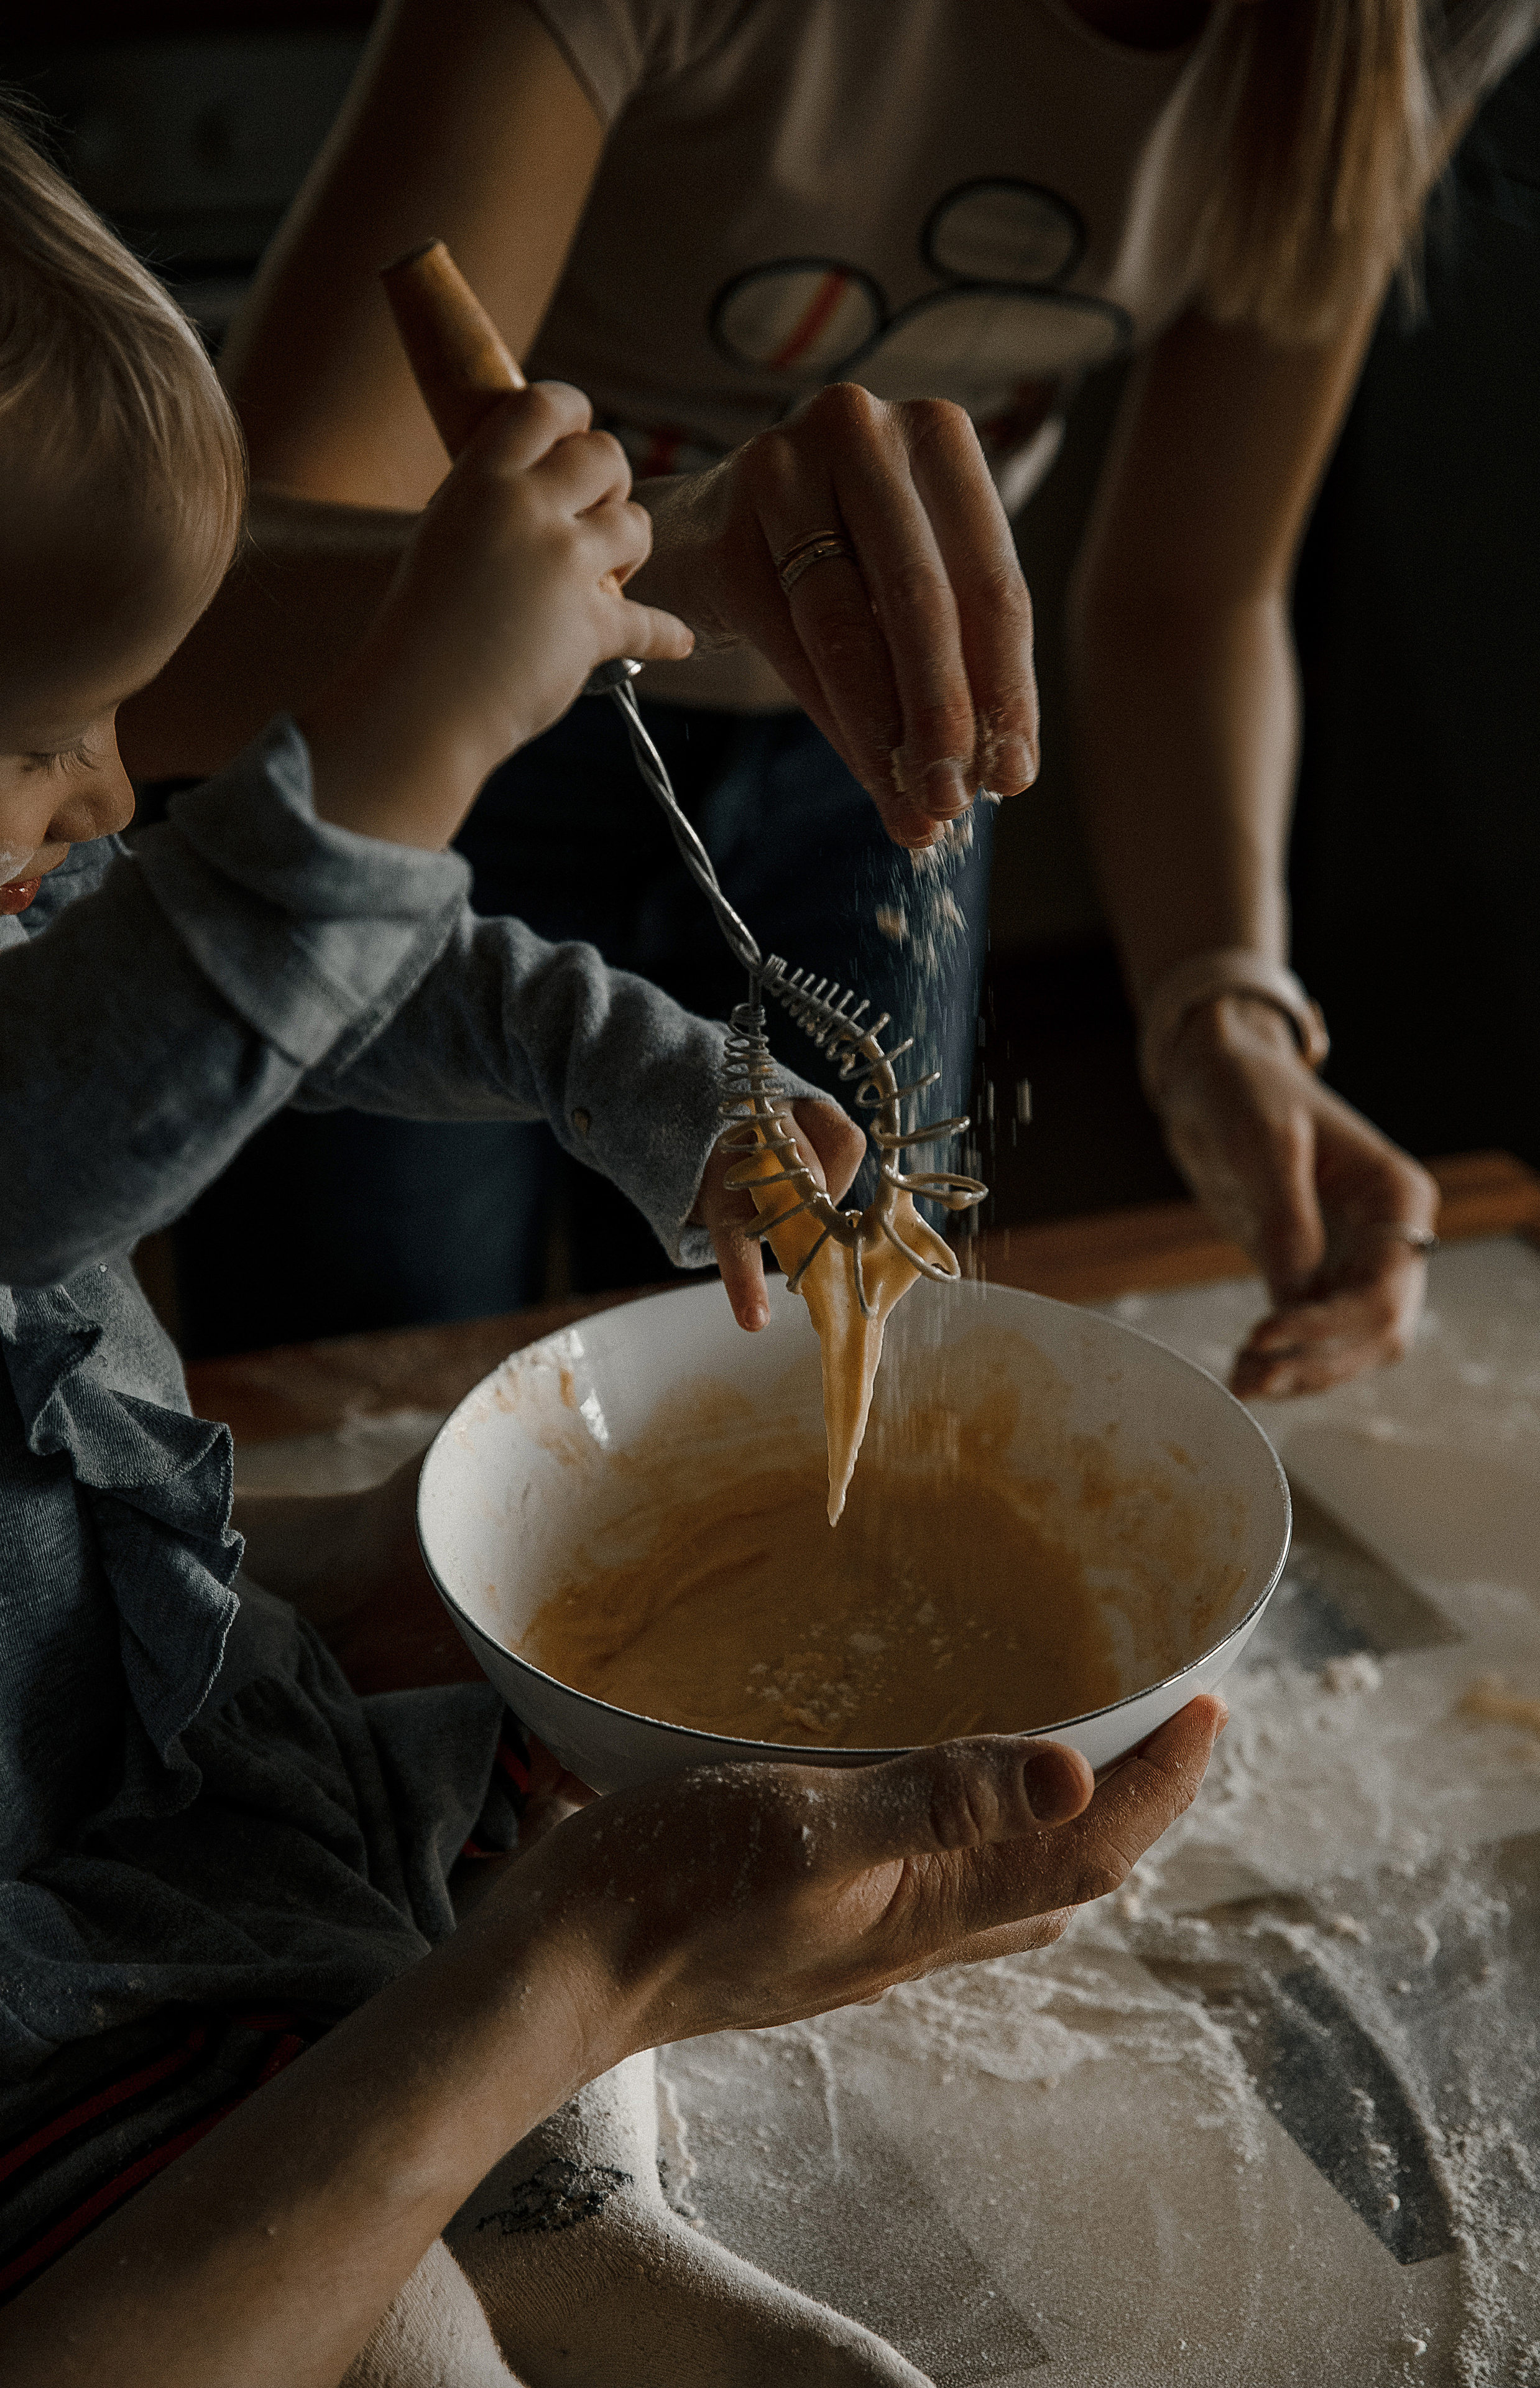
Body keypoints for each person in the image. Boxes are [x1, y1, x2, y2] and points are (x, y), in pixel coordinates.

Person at [0, 115, 1226, 2386]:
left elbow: (381, 977)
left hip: (166, 1726)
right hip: (32, 1958)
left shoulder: (38, 899)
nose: (103, 799)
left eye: (108, 722)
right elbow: (119, 1055)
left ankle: (564, 2223)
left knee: (477, 1833)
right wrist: (411, 725)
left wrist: (682, 1097)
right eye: (36, 741)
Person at [120, 0, 1540, 1383]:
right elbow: (215, 608)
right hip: (437, 735)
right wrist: (664, 554)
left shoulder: (1419, 21)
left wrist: (1220, 1015)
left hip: (883, 772)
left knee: (842, 1340)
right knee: (382, 1358)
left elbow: (1194, 597)